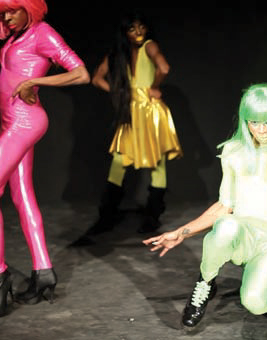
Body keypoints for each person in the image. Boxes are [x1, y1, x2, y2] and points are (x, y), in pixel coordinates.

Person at [143, 83, 267, 330]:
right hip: (241, 235)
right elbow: (224, 206)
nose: (261, 130)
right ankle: (206, 283)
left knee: (254, 302)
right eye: (254, 122)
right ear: (245, 121)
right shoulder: (234, 151)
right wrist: (181, 233)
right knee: (227, 225)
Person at [0, 0, 89, 319]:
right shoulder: (16, 38)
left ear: (29, 6)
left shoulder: (42, 33)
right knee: (21, 196)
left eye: (12, 9)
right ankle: (44, 271)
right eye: (1, 12)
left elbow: (80, 73)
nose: (6, 16)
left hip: (25, 121)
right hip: (10, 122)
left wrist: (36, 82)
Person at [88, 12, 183, 235]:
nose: (138, 32)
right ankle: (108, 215)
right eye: (132, 28)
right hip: (131, 113)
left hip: (150, 111)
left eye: (141, 27)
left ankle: (152, 216)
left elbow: (164, 67)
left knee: (156, 163)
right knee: (121, 160)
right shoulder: (118, 54)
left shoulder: (149, 45)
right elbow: (96, 78)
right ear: (125, 32)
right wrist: (121, 93)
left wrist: (154, 86)